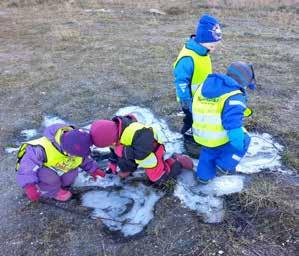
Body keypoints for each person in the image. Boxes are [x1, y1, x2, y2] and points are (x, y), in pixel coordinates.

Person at [192, 61, 256, 183]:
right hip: (218, 136)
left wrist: (244, 111)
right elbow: (233, 124)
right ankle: (224, 166)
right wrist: (238, 143)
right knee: (244, 140)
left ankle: (203, 178)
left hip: (201, 133)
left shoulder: (205, 85)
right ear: (243, 82)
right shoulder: (235, 95)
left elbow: (216, 106)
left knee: (207, 154)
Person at [90, 115, 194, 185]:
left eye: (111, 144)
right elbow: (117, 152)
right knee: (122, 155)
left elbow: (142, 154)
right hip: (135, 152)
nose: (112, 145)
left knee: (157, 178)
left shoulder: (140, 133)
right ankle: (128, 168)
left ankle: (177, 162)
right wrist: (114, 164)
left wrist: (122, 151)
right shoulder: (115, 135)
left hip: (152, 153)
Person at [16, 124, 106, 202]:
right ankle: (52, 191)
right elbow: (26, 167)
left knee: (70, 176)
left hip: (61, 166)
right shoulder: (40, 148)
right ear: (67, 149)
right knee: (50, 178)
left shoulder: (77, 143)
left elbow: (83, 159)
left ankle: (61, 185)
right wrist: (29, 186)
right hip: (44, 171)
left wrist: (93, 169)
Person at [173, 14, 222, 135]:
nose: (214, 47)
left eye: (216, 44)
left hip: (201, 97)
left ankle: (199, 135)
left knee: (201, 120)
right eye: (212, 44)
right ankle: (184, 137)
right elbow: (181, 83)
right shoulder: (188, 58)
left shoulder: (203, 51)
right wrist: (187, 104)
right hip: (189, 100)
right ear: (202, 39)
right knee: (191, 120)